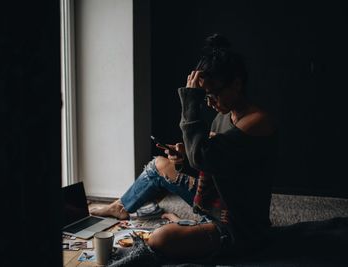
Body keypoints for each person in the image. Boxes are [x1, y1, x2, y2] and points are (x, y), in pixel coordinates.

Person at [91, 33, 278, 260]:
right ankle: (120, 206)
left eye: (212, 95)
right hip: (218, 200)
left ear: (237, 84)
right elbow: (214, 165)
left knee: (161, 239)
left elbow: (205, 159)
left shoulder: (257, 122)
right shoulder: (225, 116)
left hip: (238, 226)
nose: (209, 103)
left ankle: (191, 228)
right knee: (158, 165)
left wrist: (191, 101)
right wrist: (184, 160)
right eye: (205, 97)